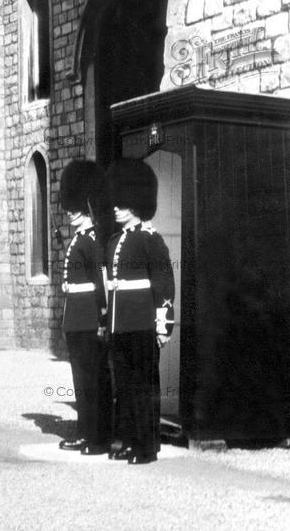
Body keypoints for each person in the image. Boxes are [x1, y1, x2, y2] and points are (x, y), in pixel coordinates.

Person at [105, 158, 175, 465]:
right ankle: (130, 440)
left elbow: (164, 286)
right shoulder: (114, 241)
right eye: (116, 202)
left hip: (144, 323)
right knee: (126, 386)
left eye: (123, 203)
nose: (117, 208)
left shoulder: (150, 239)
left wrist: (163, 327)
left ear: (137, 203)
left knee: (145, 387)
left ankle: (147, 447)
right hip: (120, 324)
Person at [57, 160, 112, 455]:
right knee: (82, 381)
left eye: (75, 207)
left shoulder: (91, 241)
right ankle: (87, 432)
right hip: (76, 319)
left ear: (86, 205)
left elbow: (101, 282)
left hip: (89, 319)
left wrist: (103, 319)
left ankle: (96, 437)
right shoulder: (81, 238)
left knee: (92, 381)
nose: (70, 212)